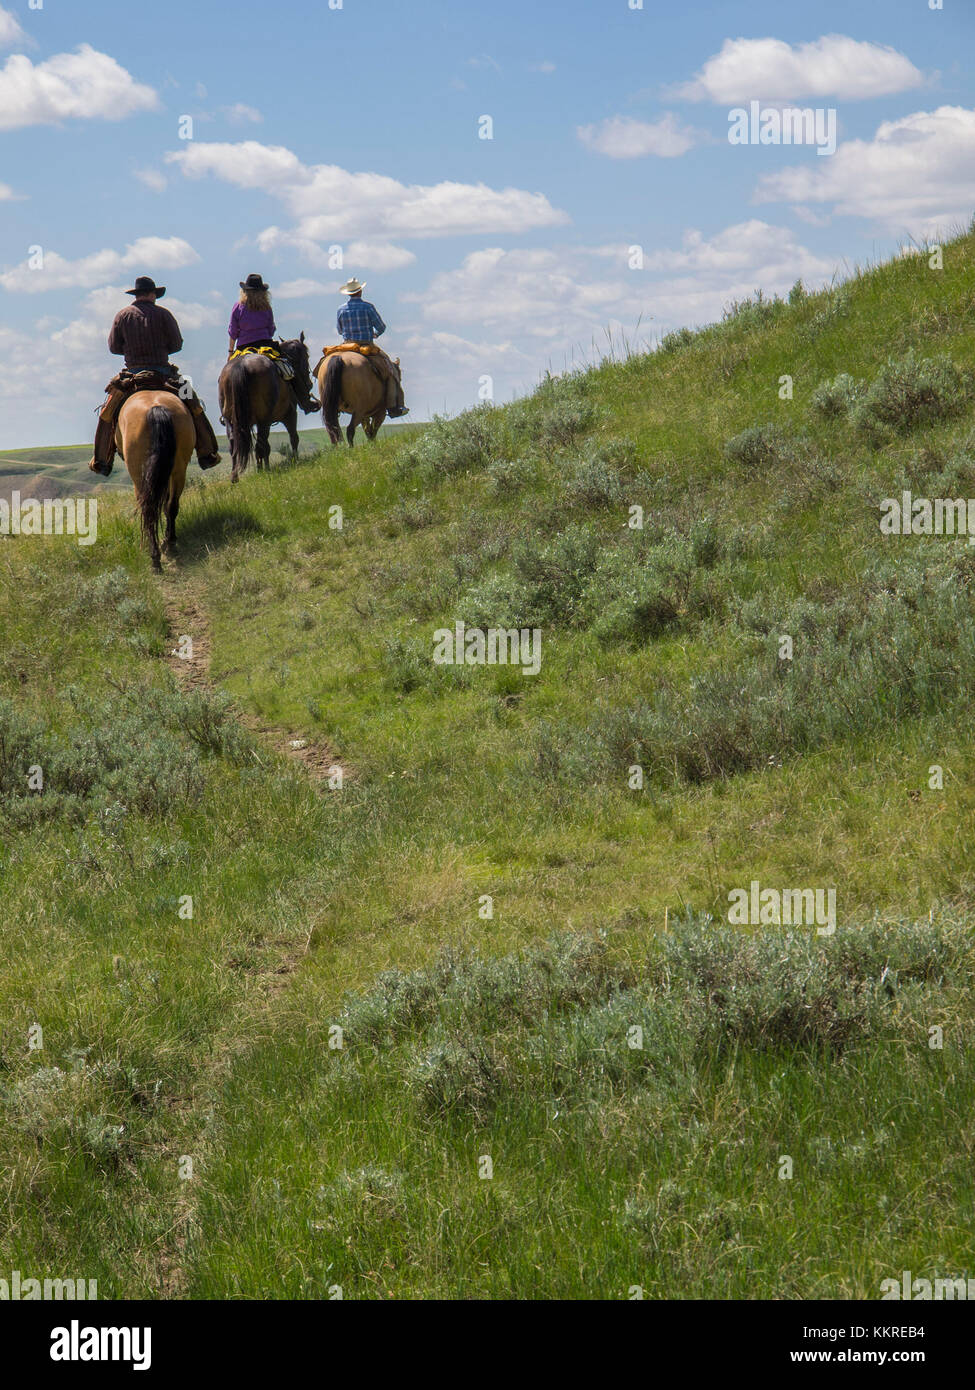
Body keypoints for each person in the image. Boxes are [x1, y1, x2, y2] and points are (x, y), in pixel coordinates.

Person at [89, 277, 220, 476]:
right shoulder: (164, 314)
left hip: (132, 374)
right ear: (152, 295)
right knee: (193, 403)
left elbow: (114, 347)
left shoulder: (122, 315)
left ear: (137, 295)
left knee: (107, 411)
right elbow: (177, 345)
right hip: (165, 373)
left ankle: (102, 459)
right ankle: (207, 451)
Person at [336, 278, 408, 417]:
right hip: (366, 344)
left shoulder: (341, 309)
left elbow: (339, 330)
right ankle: (394, 406)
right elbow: (381, 326)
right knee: (391, 369)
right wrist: (376, 334)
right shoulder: (368, 307)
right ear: (360, 291)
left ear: (348, 293)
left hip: (346, 345)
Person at [228, 272, 276, 353]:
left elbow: (233, 331)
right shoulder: (267, 307)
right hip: (265, 345)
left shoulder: (238, 307)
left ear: (245, 291)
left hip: (243, 346)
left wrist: (230, 351)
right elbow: (271, 329)